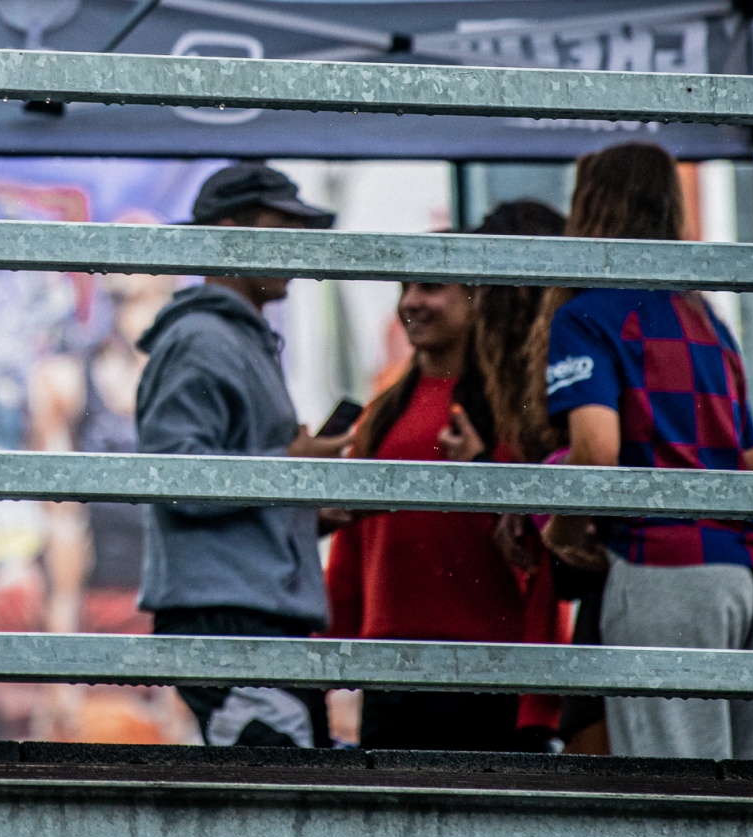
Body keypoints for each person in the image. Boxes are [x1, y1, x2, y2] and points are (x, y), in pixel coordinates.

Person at [536, 142, 753, 761]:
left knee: (677, 790)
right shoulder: (709, 321)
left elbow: (596, 453)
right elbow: (752, 469)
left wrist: (561, 533)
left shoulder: (587, 316)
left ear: (589, 207)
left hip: (670, 573)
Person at [323, 198, 567, 752]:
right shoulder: (381, 412)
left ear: (478, 297)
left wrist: (541, 701)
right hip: (390, 673)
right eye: (405, 288)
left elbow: (542, 552)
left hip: (492, 670)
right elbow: (351, 550)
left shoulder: (512, 410)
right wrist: (325, 658)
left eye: (431, 287)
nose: (412, 302)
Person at [135, 162, 344, 747]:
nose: (297, 246)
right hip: (231, 617)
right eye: (284, 227)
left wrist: (307, 511)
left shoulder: (227, 338)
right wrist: (292, 467)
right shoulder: (205, 340)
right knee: (279, 791)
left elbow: (205, 482)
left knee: (284, 785)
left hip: (243, 612)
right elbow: (174, 478)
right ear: (230, 231)